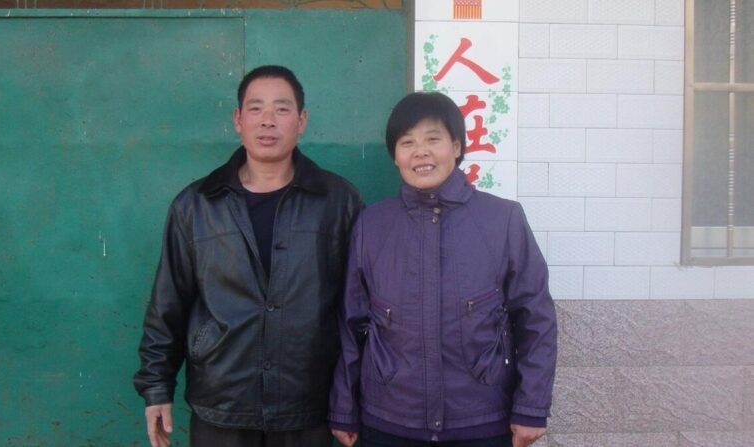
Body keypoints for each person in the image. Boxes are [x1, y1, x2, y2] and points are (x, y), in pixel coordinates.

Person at [134, 65, 363, 447]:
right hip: (221, 402)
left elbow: (357, 310)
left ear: (302, 120)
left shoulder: (338, 201)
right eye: (256, 109)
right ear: (238, 120)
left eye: (282, 109)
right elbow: (168, 303)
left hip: (309, 403)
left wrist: (351, 397)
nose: (268, 121)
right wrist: (157, 386)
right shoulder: (197, 204)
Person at [328, 92, 557, 447]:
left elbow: (536, 318)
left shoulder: (503, 220)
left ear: (456, 146)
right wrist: (344, 406)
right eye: (407, 143)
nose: (421, 152)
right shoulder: (371, 225)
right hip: (389, 421)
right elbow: (351, 323)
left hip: (481, 421)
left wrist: (531, 406)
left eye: (433, 139)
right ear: (395, 156)